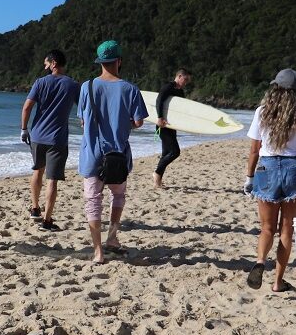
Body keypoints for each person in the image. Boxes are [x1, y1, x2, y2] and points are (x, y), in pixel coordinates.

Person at [242, 69, 296, 292]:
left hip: (266, 170)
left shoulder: (262, 112)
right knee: (286, 230)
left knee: (267, 228)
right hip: (294, 171)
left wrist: (249, 178)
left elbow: (255, 150)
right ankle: (277, 282)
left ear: (275, 88)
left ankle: (259, 262)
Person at [77, 40, 148, 264]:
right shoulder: (131, 89)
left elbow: (82, 120)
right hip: (118, 155)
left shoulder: (86, 87)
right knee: (117, 196)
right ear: (119, 61)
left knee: (93, 201)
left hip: (92, 155)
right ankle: (112, 237)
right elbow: (138, 122)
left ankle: (98, 251)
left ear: (100, 62)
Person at [20, 50, 79, 231]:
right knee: (52, 179)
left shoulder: (40, 82)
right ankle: (47, 220)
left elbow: (27, 107)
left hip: (37, 136)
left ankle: (35, 208)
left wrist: (24, 129)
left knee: (37, 170)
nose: (45, 67)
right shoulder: (73, 85)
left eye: (46, 64)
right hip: (57, 138)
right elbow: (83, 110)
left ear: (53, 63)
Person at [153, 69, 192, 188]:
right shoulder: (168, 87)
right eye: (185, 80)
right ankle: (157, 173)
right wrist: (159, 118)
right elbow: (159, 101)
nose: (185, 83)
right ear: (179, 76)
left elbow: (181, 111)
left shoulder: (180, 92)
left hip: (171, 126)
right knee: (175, 152)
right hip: (163, 125)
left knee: (166, 153)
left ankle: (157, 181)